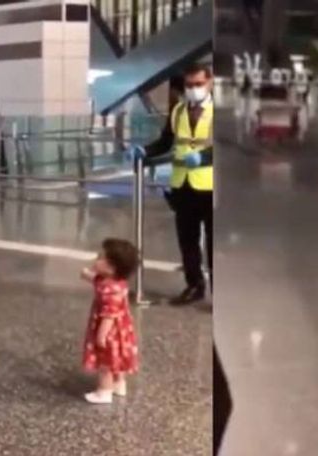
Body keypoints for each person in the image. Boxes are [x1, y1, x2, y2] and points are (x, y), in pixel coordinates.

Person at [128, 63, 214, 305]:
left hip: (211, 185)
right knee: (187, 239)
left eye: (199, 84)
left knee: (214, 241)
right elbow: (166, 142)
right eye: (189, 85)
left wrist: (204, 157)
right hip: (182, 184)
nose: (193, 89)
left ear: (210, 82)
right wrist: (143, 150)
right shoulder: (178, 111)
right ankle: (194, 285)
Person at [80, 239, 140, 404]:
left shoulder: (109, 290)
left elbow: (109, 315)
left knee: (105, 363)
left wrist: (101, 335)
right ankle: (120, 384)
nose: (96, 259)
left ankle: (104, 391)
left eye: (100, 257)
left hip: (110, 332)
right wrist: (87, 274)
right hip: (122, 331)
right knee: (117, 360)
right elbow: (97, 281)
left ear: (111, 267)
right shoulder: (116, 283)